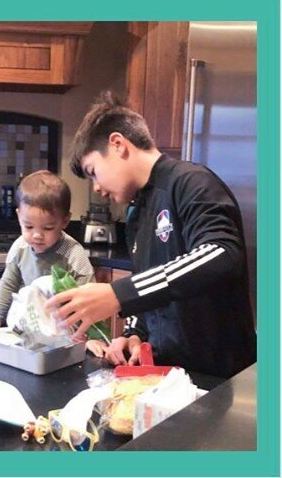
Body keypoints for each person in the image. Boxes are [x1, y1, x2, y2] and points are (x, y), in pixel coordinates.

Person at [45, 90, 256, 378]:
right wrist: (134, 333)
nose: (96, 187)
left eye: (93, 171)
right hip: (169, 373)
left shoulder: (191, 182)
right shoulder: (137, 213)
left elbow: (221, 253)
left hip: (219, 376)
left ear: (118, 144)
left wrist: (118, 293)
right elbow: (153, 283)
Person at [0, 170, 109, 356]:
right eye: (28, 226)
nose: (37, 235)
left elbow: (89, 300)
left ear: (65, 221)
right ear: (19, 216)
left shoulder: (73, 254)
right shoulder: (20, 248)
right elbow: (8, 284)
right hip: (28, 330)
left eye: (48, 228)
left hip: (65, 334)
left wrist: (92, 337)